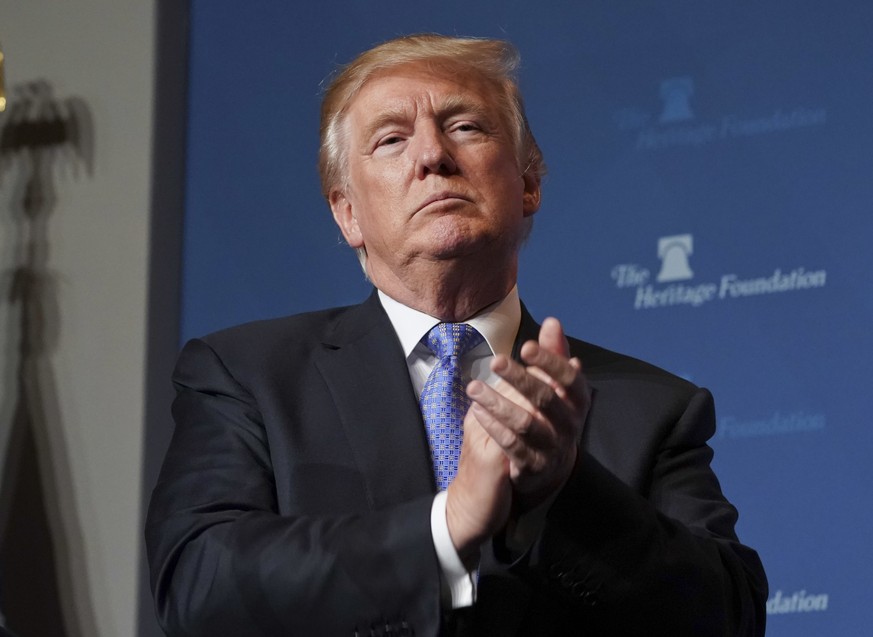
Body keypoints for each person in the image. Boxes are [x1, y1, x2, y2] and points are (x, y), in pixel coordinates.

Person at [146, 34, 767, 636]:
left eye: (465, 126)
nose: (431, 156)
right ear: (348, 214)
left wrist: (562, 490)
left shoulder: (652, 409)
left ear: (529, 184)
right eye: (391, 139)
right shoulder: (247, 376)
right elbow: (198, 585)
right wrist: (449, 523)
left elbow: (729, 617)